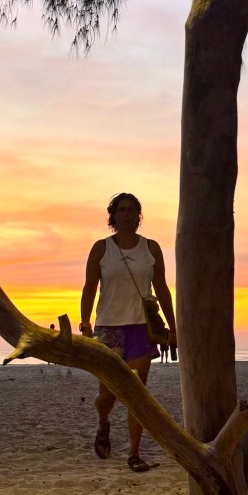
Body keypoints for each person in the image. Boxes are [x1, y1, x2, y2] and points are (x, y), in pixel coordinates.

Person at [79, 192, 176, 473]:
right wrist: (85, 323)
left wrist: (173, 327)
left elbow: (162, 289)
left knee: (137, 392)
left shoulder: (151, 248)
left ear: (138, 215)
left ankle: (134, 453)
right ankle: (103, 421)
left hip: (141, 327)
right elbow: (89, 287)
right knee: (108, 393)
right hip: (108, 327)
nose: (126, 214)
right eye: (121, 210)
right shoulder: (101, 249)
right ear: (113, 216)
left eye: (131, 209)